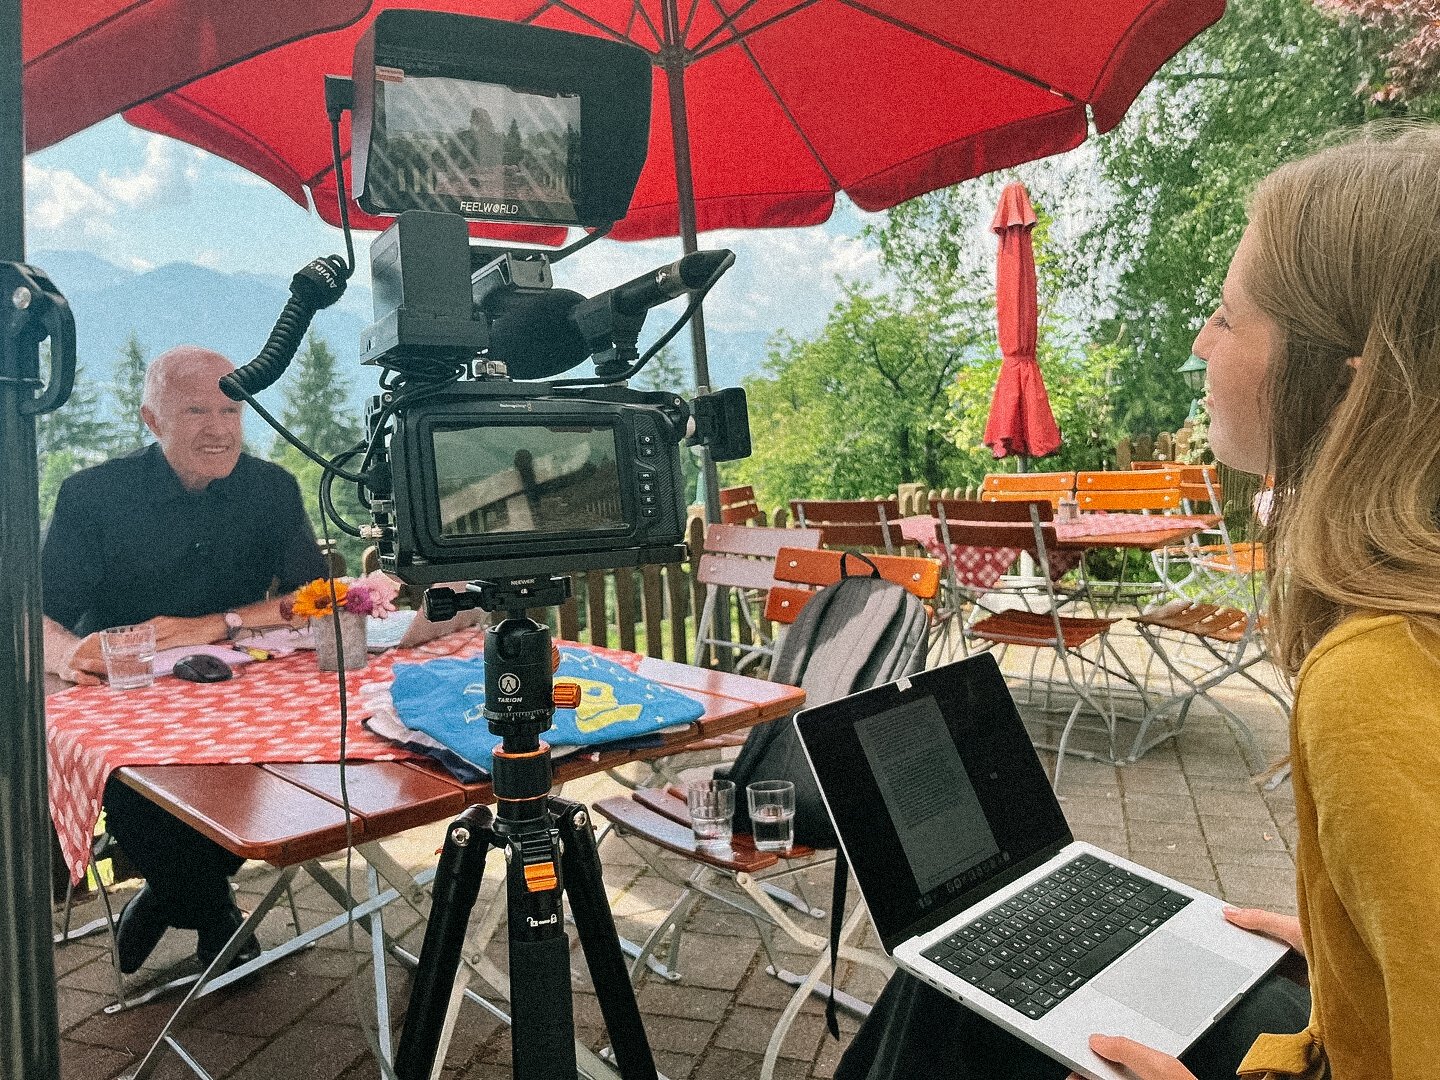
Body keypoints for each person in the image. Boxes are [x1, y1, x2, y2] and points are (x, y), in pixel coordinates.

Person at [838, 121, 1440, 1080]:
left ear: (1339, 383)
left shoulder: (1381, 673)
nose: (1202, 340)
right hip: (1332, 1026)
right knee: (955, 974)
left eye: (1230, 316)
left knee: (952, 991)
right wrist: (1353, 961)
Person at [42, 345, 328, 974]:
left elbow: (315, 600)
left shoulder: (272, 489)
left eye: (231, 409)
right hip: (129, 700)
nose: (219, 428)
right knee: (142, 781)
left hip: (243, 695)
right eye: (197, 410)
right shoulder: (92, 496)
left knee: (259, 777)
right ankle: (204, 905)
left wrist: (215, 624)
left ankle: (175, 893)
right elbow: (39, 618)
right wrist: (70, 658)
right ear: (152, 420)